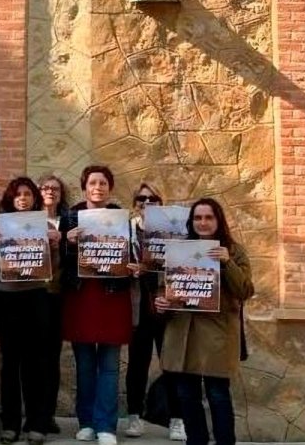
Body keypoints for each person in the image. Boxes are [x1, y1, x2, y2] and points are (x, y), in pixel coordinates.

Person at [155, 198, 254, 445]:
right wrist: (161, 303)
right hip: (182, 336)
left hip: (217, 337)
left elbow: (245, 291)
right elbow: (164, 289)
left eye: (209, 217)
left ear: (218, 220)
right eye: (198, 218)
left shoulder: (233, 250)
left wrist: (227, 262)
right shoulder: (178, 250)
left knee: (218, 395)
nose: (203, 222)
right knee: (187, 396)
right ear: (192, 222)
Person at [62, 165, 133, 445]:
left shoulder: (123, 220)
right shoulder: (69, 218)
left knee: (111, 366)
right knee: (85, 365)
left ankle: (106, 425)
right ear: (84, 187)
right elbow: (56, 264)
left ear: (110, 188)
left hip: (113, 296)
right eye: (93, 182)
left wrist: (133, 263)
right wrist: (67, 243)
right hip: (81, 297)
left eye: (103, 182)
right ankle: (87, 422)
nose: (98, 187)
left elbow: (133, 254)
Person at [0, 177, 61, 445]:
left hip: (37, 297)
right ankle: (10, 423)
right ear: (10, 198)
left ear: (34, 198)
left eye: (27, 194)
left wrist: (55, 244)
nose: (22, 198)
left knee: (36, 362)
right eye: (17, 194)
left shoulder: (47, 225)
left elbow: (53, 269)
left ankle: (37, 422)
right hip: (8, 299)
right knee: (10, 363)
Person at [125, 182, 185, 440]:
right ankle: (134, 417)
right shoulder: (125, 230)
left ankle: (177, 419)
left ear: (161, 203)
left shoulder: (175, 231)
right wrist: (131, 268)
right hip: (138, 304)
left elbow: (186, 264)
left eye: (153, 198)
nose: (147, 202)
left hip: (165, 305)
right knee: (137, 364)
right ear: (135, 202)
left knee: (171, 363)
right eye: (142, 198)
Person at [37, 173, 70, 435]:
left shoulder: (68, 222)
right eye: (46, 188)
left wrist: (64, 243)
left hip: (57, 296)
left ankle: (47, 415)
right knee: (31, 359)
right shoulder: (23, 220)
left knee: (50, 358)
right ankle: (33, 415)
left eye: (55, 189)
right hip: (30, 296)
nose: (50, 191)